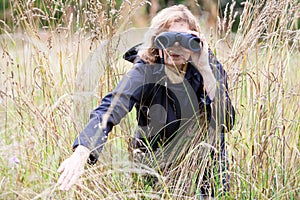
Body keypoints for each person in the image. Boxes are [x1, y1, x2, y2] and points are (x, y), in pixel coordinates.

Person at [57, 4, 235, 196]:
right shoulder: (144, 70)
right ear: (155, 42)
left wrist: (206, 71)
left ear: (195, 41)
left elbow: (226, 122)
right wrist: (83, 150)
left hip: (204, 159)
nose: (175, 47)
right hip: (157, 156)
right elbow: (112, 106)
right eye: (167, 38)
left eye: (183, 39)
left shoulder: (208, 67)